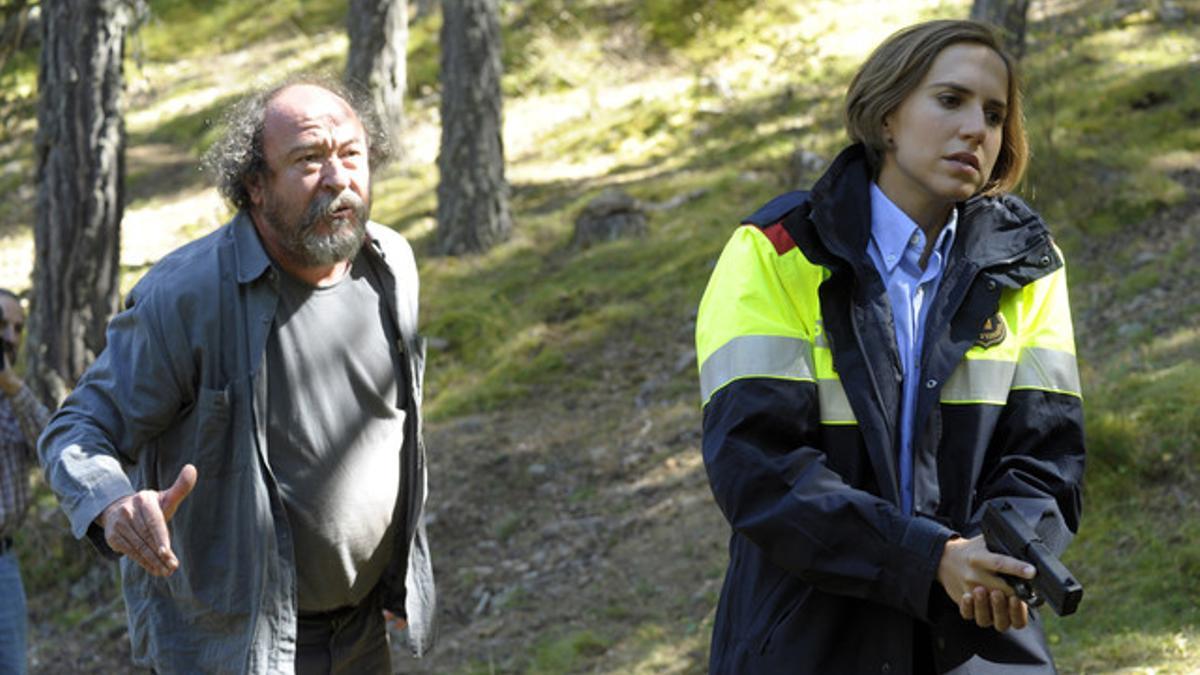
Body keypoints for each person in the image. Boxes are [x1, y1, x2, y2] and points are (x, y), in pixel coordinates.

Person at [695, 20, 1085, 674]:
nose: (976, 130)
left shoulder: (1031, 268)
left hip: (975, 641)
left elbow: (1047, 456)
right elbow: (758, 466)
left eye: (994, 114)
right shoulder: (777, 249)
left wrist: (1005, 557)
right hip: (808, 639)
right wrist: (928, 558)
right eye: (950, 100)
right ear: (886, 116)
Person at [38, 78, 435, 674]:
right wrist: (114, 503)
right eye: (307, 160)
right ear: (254, 185)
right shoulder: (187, 295)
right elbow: (76, 428)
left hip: (360, 637)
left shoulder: (391, 266)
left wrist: (397, 576)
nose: (337, 178)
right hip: (236, 650)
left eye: (351, 154)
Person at [0, 289, 50, 675]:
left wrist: (14, 389)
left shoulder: (14, 402)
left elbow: (53, 450)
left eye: (18, 328)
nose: (11, 338)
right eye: (2, 325)